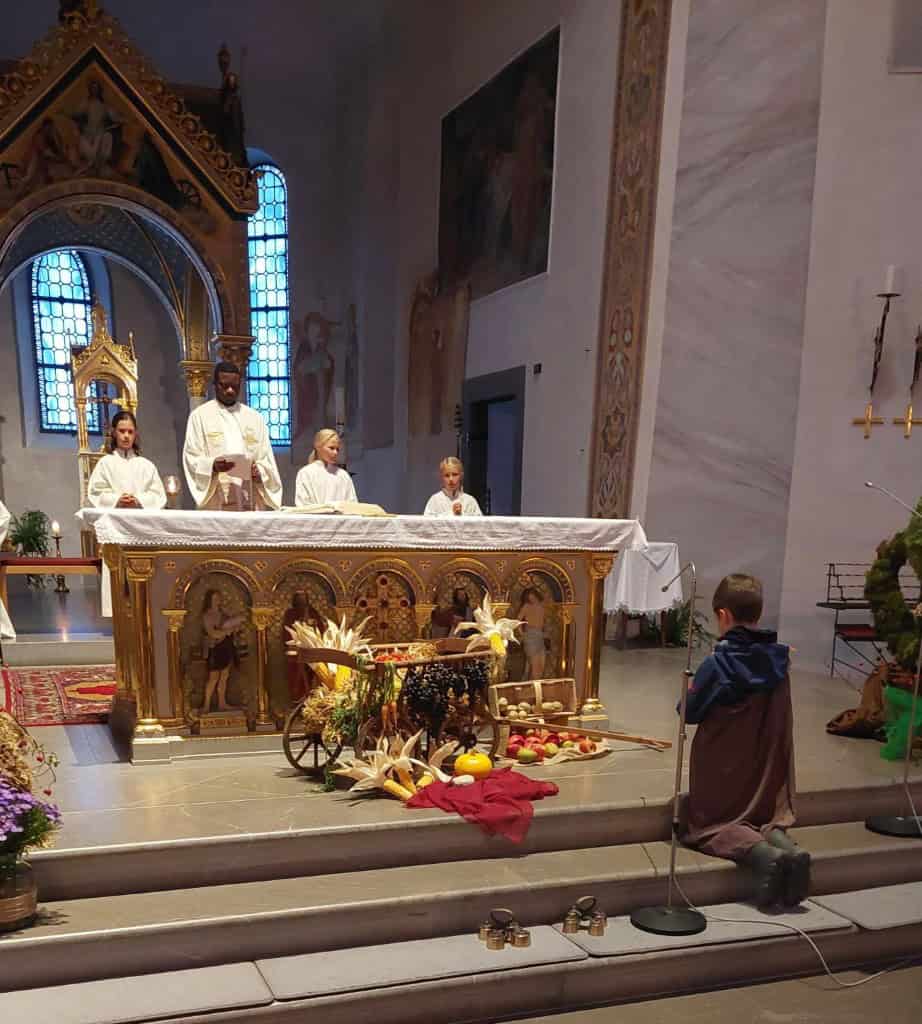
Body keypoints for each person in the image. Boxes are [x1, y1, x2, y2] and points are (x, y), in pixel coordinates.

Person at [681, 574, 808, 908]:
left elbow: (689, 712)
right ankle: (786, 846)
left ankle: (764, 856)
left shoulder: (719, 663)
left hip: (724, 777)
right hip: (764, 776)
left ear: (723, 616)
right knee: (760, 818)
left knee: (707, 827)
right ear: (759, 614)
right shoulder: (780, 659)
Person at [87, 411, 166, 618]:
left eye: (130, 432)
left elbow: (158, 495)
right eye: (122, 431)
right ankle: (118, 614)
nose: (126, 436)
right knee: (118, 572)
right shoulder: (106, 464)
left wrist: (139, 499)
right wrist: (117, 499)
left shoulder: (146, 465)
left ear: (136, 434)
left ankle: (143, 610)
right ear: (114, 433)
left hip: (140, 530)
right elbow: (95, 492)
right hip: (116, 529)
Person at [182, 361, 282, 510]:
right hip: (216, 496)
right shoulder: (200, 416)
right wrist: (213, 466)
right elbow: (191, 457)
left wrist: (259, 471)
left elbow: (266, 457)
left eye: (235, 387)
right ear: (215, 384)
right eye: (224, 385)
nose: (230, 390)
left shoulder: (254, 418)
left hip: (249, 495)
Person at [200, 589, 244, 713]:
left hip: (226, 646)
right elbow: (212, 633)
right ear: (210, 600)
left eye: (219, 598)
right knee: (213, 677)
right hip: (214, 647)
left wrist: (235, 628)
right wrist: (225, 631)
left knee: (224, 676)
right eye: (215, 598)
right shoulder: (207, 615)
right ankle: (206, 704)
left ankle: (222, 703)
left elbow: (233, 627)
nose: (217, 600)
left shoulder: (224, 614)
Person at [294, 429, 356, 507]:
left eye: (337, 449)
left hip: (340, 518)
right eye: (331, 448)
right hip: (315, 518)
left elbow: (352, 504)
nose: (335, 452)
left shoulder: (343, 475)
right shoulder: (305, 473)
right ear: (318, 447)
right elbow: (303, 504)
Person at [282, 591, 323, 702]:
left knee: (314, 675)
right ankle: (297, 699)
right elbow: (287, 632)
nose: (302, 601)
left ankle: (313, 699)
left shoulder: (313, 612)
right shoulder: (290, 613)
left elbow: (320, 629)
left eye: (304, 598)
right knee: (297, 678)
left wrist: (313, 624)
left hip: (312, 651)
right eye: (299, 598)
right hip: (296, 651)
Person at [516, 587, 547, 679]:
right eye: (529, 598)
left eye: (533, 596)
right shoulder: (526, 606)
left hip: (540, 635)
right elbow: (518, 621)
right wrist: (523, 634)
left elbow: (543, 620)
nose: (531, 599)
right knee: (534, 666)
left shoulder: (542, 605)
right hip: (531, 635)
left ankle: (535, 689)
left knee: (541, 665)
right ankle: (532, 690)